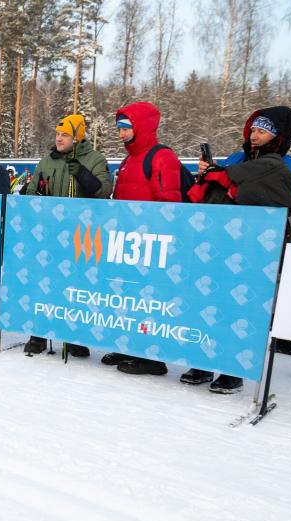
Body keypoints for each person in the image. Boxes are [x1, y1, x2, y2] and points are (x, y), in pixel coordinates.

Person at [181, 106, 291, 393]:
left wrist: (232, 185)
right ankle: (203, 361)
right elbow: (214, 190)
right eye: (253, 130)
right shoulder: (236, 158)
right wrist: (206, 175)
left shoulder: (289, 166)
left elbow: (282, 201)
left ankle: (233, 369)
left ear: (278, 137)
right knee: (208, 301)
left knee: (241, 308)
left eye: (262, 131)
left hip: (255, 246)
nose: (254, 136)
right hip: (219, 241)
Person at [102, 102, 183, 376]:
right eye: (119, 128)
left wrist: (155, 237)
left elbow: (169, 203)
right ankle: (130, 346)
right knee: (128, 297)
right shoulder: (128, 159)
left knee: (150, 300)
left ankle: (152, 356)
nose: (121, 134)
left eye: (126, 128)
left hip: (151, 243)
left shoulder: (161, 157)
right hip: (128, 243)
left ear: (142, 127)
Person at [22, 114, 112, 357]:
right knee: (44, 283)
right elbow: (31, 192)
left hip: (80, 237)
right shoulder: (48, 160)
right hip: (49, 234)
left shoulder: (94, 159)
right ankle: (38, 334)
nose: (59, 138)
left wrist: (83, 174)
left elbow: (105, 192)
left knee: (74, 287)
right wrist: (33, 195)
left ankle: (72, 336)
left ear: (77, 137)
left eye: (65, 135)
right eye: (57, 134)